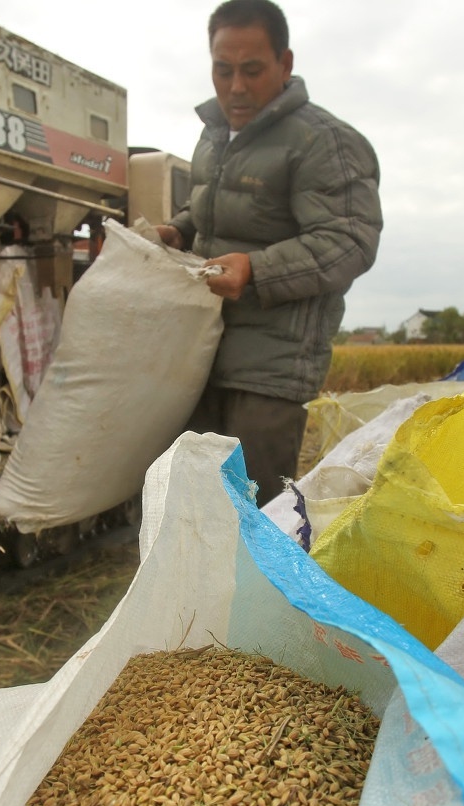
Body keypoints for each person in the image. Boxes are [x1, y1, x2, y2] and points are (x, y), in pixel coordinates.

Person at [156, 0, 383, 506]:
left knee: (253, 520)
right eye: (223, 69)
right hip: (203, 348)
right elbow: (211, 208)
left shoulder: (325, 142)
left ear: (285, 64)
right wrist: (177, 229)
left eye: (252, 70)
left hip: (273, 368)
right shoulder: (215, 137)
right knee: (193, 506)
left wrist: (256, 269)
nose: (236, 86)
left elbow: (350, 240)